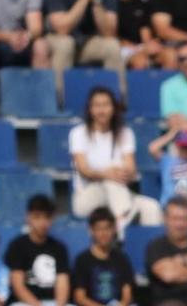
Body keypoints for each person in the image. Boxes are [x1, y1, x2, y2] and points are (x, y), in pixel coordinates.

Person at [69, 86, 162, 231]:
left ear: (113, 108)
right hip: (87, 197)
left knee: (152, 208)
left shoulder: (125, 133)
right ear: (90, 109)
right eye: (97, 105)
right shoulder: (78, 133)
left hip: (119, 194)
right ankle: (122, 227)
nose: (101, 110)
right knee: (110, 180)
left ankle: (130, 227)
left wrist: (119, 173)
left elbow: (131, 170)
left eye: (106, 105)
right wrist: (107, 173)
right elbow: (83, 170)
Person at [3, 196, 88, 306]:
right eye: (37, 217)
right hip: (26, 305)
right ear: (28, 217)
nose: (43, 222)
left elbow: (62, 283)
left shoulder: (59, 248)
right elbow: (18, 286)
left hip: (55, 305)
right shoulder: (17, 246)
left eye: (47, 217)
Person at [89, 0, 164, 72]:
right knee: (140, 62)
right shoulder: (110, 2)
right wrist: (132, 47)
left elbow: (144, 30)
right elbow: (110, 34)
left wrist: (148, 45)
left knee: (168, 55)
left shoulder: (141, 3)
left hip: (139, 47)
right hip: (118, 46)